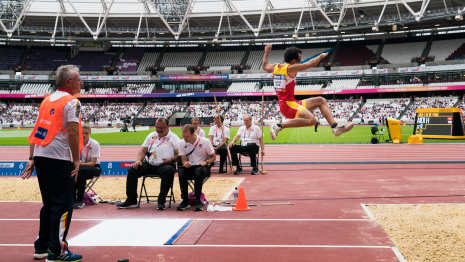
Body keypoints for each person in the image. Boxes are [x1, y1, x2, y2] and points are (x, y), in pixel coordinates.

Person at [21, 65, 84, 262]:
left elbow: (37, 130)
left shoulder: (47, 100)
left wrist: (32, 158)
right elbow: (73, 132)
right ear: (68, 82)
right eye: (79, 80)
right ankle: (58, 251)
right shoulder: (72, 102)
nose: (81, 83)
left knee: (49, 203)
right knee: (63, 204)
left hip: (41, 153)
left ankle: (42, 246)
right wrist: (76, 159)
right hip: (59, 156)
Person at [261, 45, 354, 140]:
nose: (300, 63)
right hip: (288, 105)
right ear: (293, 61)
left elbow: (264, 66)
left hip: (290, 103)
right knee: (312, 120)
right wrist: (320, 56)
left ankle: (335, 127)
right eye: (299, 60)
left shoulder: (276, 67)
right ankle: (277, 126)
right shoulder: (290, 68)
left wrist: (266, 51)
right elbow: (310, 64)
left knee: (321, 100)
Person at [117, 117, 180, 210]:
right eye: (157, 127)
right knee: (132, 170)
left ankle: (161, 201)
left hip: (165, 165)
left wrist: (171, 160)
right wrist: (138, 160)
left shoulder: (174, 138)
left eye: (162, 127)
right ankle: (131, 200)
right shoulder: (151, 135)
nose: (159, 130)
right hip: (149, 164)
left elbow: (180, 154)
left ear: (168, 126)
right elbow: (143, 150)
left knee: (169, 171)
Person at [177, 124, 216, 211]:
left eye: (187, 136)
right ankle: (185, 200)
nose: (185, 139)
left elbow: (213, 157)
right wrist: (185, 163)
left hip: (202, 168)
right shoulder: (181, 143)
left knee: (198, 171)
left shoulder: (205, 141)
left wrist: (206, 161)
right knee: (181, 172)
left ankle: (197, 199)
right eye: (183, 136)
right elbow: (183, 159)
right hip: (190, 167)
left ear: (193, 133)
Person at [73, 123, 101, 209]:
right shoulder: (76, 143)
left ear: (90, 133)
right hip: (80, 166)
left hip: (94, 167)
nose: (84, 135)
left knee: (81, 171)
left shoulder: (94, 144)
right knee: (70, 170)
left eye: (86, 133)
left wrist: (80, 164)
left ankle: (80, 198)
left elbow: (92, 163)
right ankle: (71, 197)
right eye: (82, 133)